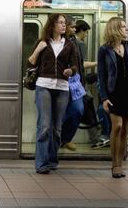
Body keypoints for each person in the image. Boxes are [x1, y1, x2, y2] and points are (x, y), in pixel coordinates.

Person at [27, 13, 78, 174]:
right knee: (44, 126)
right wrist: (39, 49)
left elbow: (76, 66)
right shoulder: (42, 42)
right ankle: (41, 164)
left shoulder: (70, 44)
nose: (64, 25)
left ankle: (52, 160)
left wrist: (71, 70)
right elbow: (30, 62)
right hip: (44, 86)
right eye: (61, 22)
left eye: (65, 23)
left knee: (56, 128)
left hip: (62, 87)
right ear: (52, 25)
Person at [97, 17, 128, 178]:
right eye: (123, 27)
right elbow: (101, 76)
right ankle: (114, 164)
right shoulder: (104, 50)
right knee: (116, 126)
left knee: (124, 128)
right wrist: (103, 97)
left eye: (126, 27)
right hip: (114, 93)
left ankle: (120, 164)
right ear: (115, 29)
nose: (126, 29)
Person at [60, 18, 85, 151]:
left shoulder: (75, 42)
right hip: (61, 81)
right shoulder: (58, 42)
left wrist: (82, 82)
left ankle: (65, 138)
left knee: (78, 110)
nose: (75, 29)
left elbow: (79, 64)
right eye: (72, 27)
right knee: (60, 114)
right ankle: (58, 138)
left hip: (75, 82)